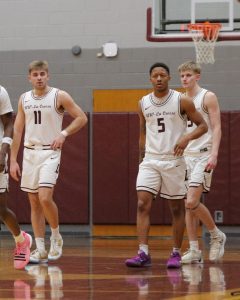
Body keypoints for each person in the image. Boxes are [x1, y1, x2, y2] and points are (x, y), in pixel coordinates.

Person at [125, 62, 208, 269]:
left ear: (169, 78)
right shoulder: (143, 103)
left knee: (176, 208)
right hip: (150, 160)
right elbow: (143, 132)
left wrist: (186, 139)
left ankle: (176, 252)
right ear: (150, 79)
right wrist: (141, 158)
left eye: (163, 75)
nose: (159, 79)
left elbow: (204, 126)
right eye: (155, 76)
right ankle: (143, 252)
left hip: (174, 161)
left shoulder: (182, 100)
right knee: (142, 204)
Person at [10, 60, 88, 264]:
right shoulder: (24, 98)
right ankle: (40, 249)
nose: (39, 77)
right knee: (34, 203)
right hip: (29, 154)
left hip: (50, 152)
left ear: (48, 75)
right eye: (35, 74)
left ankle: (56, 237)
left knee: (44, 198)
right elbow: (17, 130)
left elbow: (81, 118)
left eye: (42, 74)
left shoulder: (59, 96)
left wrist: (63, 133)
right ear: (29, 77)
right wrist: (13, 160)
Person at [178, 61, 226, 264]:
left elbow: (216, 127)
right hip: (185, 156)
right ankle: (194, 249)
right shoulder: (179, 100)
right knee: (188, 205)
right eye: (182, 76)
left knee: (191, 201)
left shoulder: (208, 96)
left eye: (188, 75)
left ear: (197, 76)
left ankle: (216, 235)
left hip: (203, 154)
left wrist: (214, 154)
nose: (185, 79)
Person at [0, 85, 32, 269]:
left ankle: (21, 240)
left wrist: (4, 151)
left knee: (1, 210)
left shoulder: (1, 91)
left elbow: (9, 123)